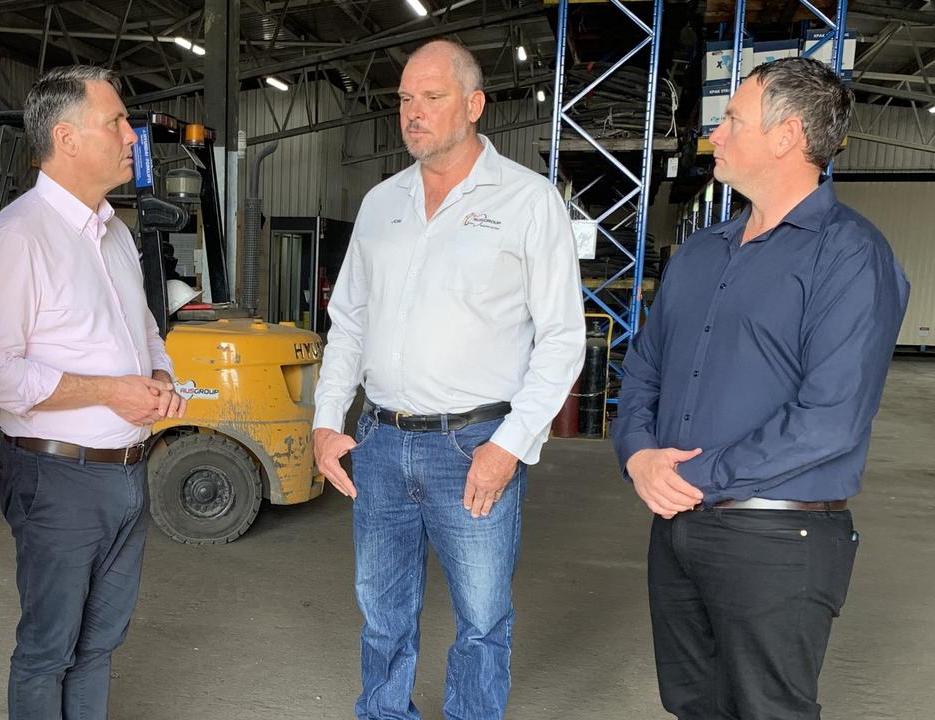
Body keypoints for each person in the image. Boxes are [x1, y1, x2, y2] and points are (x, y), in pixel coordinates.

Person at [612, 57, 910, 720]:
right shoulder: (700, 253)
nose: (716, 134)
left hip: (778, 544)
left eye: (733, 120)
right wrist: (638, 455)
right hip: (679, 529)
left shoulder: (851, 255)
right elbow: (644, 372)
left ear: (786, 137)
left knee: (767, 710)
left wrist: (692, 475)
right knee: (693, 705)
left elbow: (829, 419)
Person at [312, 39, 585, 720]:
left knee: (484, 616)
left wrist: (512, 444)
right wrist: (324, 422)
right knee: (382, 613)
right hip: (378, 442)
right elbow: (347, 322)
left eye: (431, 96)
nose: (414, 111)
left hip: (475, 445)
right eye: (405, 98)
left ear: (474, 104)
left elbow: (561, 338)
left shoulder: (527, 201)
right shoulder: (381, 203)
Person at [0, 65, 187, 720]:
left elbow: (143, 328)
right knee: (48, 649)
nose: (131, 134)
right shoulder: (19, 237)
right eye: (115, 121)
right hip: (57, 476)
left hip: (124, 473)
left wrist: (161, 378)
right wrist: (111, 392)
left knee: (99, 643)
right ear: (65, 137)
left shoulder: (113, 232)